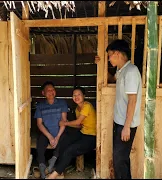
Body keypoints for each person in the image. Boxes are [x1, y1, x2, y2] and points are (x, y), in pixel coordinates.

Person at [96, 39, 142, 179]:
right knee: (122, 159)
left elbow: (132, 101)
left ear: (117, 53)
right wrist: (100, 65)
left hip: (126, 124)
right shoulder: (121, 70)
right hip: (120, 122)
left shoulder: (131, 71)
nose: (109, 59)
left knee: (119, 161)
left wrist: (127, 127)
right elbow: (112, 78)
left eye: (109, 55)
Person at [46, 86, 96, 179]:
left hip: (92, 137)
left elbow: (77, 122)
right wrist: (66, 124)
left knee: (70, 151)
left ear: (84, 96)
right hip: (83, 133)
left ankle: (54, 175)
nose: (76, 97)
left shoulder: (87, 106)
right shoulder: (77, 109)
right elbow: (79, 125)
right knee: (64, 140)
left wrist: (64, 123)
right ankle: (59, 170)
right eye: (74, 95)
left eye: (79, 95)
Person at [34, 81, 68, 179]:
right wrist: (49, 137)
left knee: (63, 139)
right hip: (46, 132)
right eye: (48, 90)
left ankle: (53, 161)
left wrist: (56, 137)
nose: (51, 92)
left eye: (52, 90)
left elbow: (64, 121)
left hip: (60, 132)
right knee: (40, 142)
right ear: (43, 93)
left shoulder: (62, 103)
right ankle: (42, 165)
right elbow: (39, 124)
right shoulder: (40, 106)